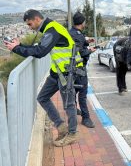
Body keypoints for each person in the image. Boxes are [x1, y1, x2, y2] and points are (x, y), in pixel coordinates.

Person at [4, 9, 83, 147]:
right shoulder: (49, 29)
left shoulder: (52, 29)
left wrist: (16, 49)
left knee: (69, 104)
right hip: (57, 71)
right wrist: (20, 45)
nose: (30, 27)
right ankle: (61, 126)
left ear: (36, 19)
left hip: (67, 72)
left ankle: (72, 133)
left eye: (29, 24)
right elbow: (39, 47)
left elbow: (40, 52)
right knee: (42, 97)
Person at [69, 12, 96, 128]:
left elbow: (77, 44)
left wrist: (86, 42)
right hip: (79, 69)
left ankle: (74, 109)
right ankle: (86, 118)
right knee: (83, 94)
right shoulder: (78, 35)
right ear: (82, 23)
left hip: (70, 68)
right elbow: (79, 52)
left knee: (74, 91)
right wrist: (90, 50)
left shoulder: (71, 32)